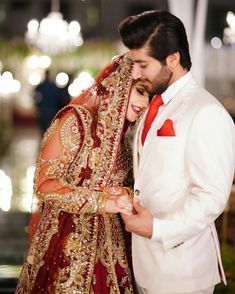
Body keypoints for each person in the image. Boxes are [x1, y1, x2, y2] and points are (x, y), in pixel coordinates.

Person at [118, 9, 235, 294]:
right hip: (145, 264)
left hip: (183, 272)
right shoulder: (153, 105)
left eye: (143, 65)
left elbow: (212, 197)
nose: (135, 73)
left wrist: (157, 229)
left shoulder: (206, 112)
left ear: (173, 59)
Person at [16, 53, 149, 293]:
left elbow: (128, 186)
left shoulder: (124, 139)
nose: (145, 103)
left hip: (113, 250)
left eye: (150, 96)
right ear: (120, 85)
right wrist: (101, 201)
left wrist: (123, 193)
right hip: (67, 248)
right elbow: (45, 184)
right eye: (140, 91)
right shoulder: (76, 121)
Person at [33, 70, 67, 136]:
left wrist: (37, 105)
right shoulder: (54, 86)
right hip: (52, 110)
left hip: (43, 109)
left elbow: (35, 96)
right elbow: (59, 98)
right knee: (50, 128)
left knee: (43, 129)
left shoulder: (41, 86)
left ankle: (43, 141)